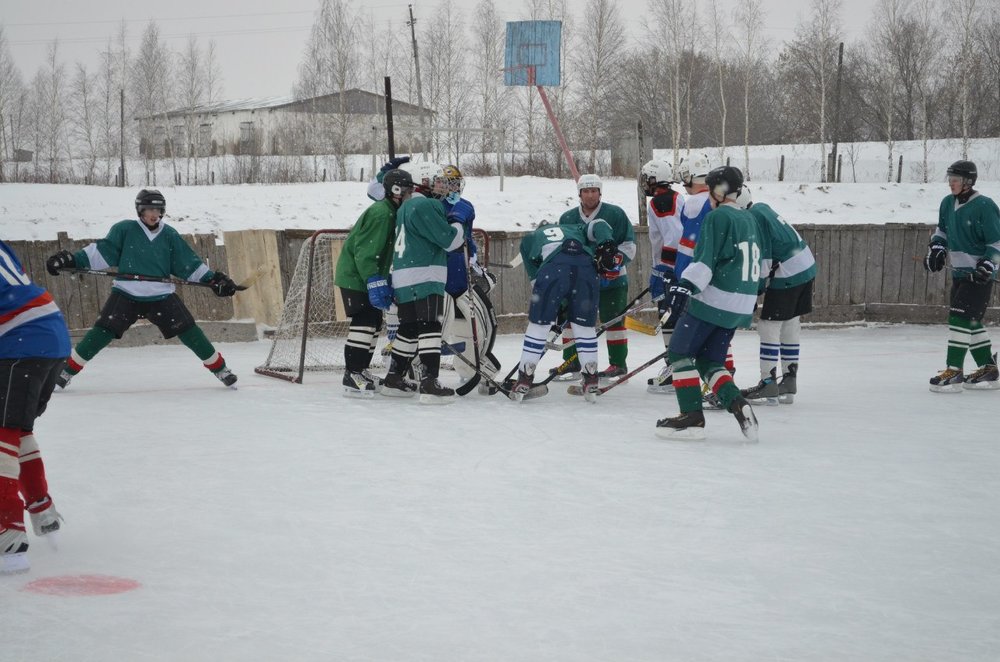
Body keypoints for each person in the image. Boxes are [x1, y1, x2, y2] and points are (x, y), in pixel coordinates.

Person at [45, 189, 240, 389]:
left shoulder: (169, 235)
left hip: (161, 295)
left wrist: (213, 280)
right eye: (149, 209)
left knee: (190, 331)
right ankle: (66, 372)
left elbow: (188, 264)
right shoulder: (125, 230)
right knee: (102, 331)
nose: (154, 214)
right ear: (140, 210)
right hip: (127, 294)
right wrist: (72, 260)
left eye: (158, 209)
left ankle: (221, 370)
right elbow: (100, 253)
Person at [655, 166, 760, 442]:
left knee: (678, 352)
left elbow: (704, 261)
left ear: (718, 190)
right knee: (709, 359)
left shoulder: (717, 217)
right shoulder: (749, 218)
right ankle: (738, 404)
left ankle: (691, 416)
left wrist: (684, 286)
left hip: (714, 300)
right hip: (741, 303)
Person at [0, 240, 69, 575]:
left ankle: (6, 532)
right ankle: (43, 512)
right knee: (16, 429)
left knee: (2, 433)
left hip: (23, 341)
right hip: (50, 337)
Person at [383, 162, 465, 403]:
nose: (441, 185)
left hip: (403, 275)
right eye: (436, 180)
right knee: (430, 326)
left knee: (409, 328)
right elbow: (449, 241)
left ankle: (394, 378)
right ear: (424, 181)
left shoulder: (405, 207)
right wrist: (458, 223)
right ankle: (430, 383)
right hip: (425, 274)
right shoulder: (425, 204)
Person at [512, 220, 618, 402]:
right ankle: (591, 374)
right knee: (584, 327)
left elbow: (535, 279)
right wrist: (607, 243)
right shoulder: (574, 228)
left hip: (553, 268)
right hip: (586, 269)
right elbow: (600, 224)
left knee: (539, 325)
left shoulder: (530, 238)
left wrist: (556, 305)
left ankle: (526, 374)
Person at [334, 169, 414, 397]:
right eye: (407, 191)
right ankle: (352, 372)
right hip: (356, 276)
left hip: (365, 274)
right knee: (364, 320)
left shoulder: (390, 212)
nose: (409, 195)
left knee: (374, 322)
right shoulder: (382, 214)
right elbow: (366, 251)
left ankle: (361, 369)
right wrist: (373, 278)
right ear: (395, 191)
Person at [923, 160, 1000, 392]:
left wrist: (988, 264)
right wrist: (936, 248)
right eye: (950, 179)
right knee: (971, 321)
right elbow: (942, 231)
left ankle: (954, 371)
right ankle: (989, 369)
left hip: (978, 277)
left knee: (958, 318)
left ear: (968, 181)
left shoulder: (985, 206)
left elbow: (996, 242)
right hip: (959, 274)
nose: (951, 184)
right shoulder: (947, 203)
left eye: (955, 179)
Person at [737, 187, 817, 405]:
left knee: (769, 326)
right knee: (790, 323)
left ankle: (768, 382)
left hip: (788, 273)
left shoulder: (753, 219)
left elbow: (764, 264)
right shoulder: (762, 208)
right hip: (805, 266)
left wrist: (753, 292)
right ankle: (789, 380)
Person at [555, 174, 637, 382]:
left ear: (600, 192)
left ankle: (618, 364)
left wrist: (615, 262)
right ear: (580, 193)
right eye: (586, 191)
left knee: (614, 321)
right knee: (572, 321)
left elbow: (629, 245)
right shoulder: (567, 218)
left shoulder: (616, 214)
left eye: (594, 191)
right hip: (579, 282)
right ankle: (572, 361)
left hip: (613, 281)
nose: (590, 195)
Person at [640, 159, 685, 393]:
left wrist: (664, 271)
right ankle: (677, 367)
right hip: (680, 267)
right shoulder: (674, 196)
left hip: (675, 269)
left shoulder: (661, 201)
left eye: (647, 178)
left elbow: (675, 237)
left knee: (670, 317)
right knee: (670, 317)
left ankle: (676, 371)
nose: (644, 183)